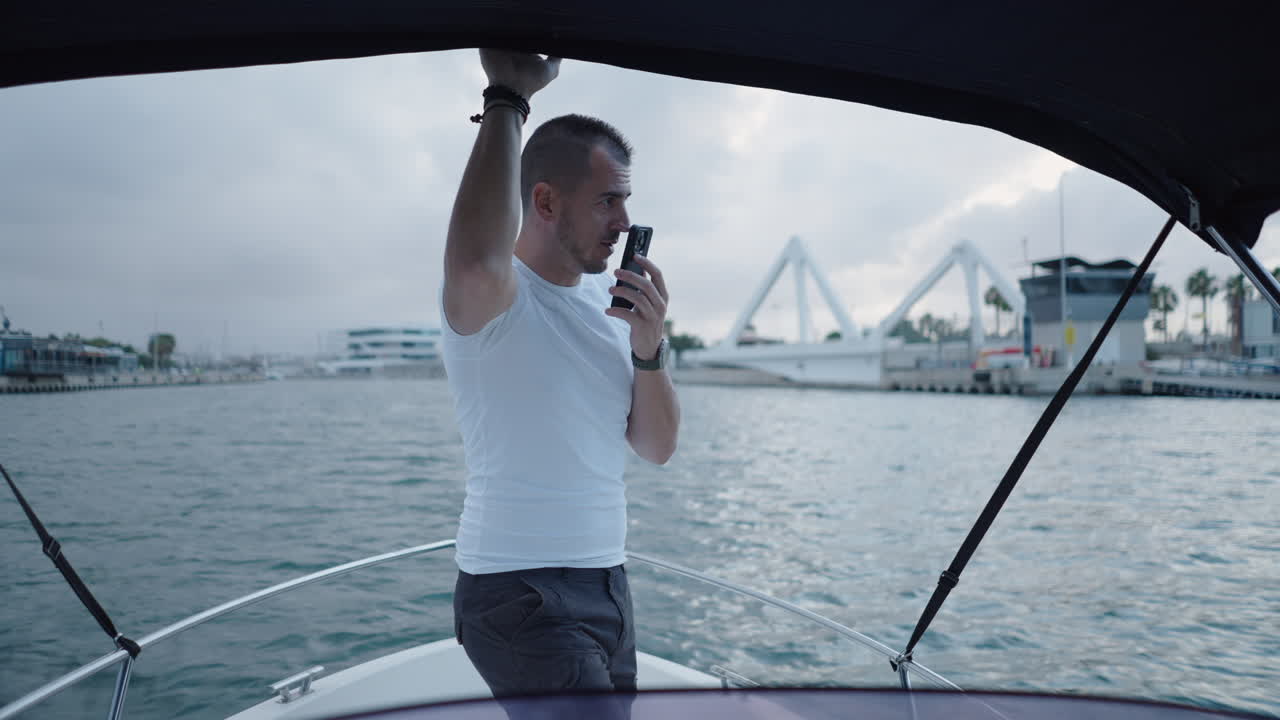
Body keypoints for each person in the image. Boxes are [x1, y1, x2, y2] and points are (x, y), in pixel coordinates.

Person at [440, 49, 681, 704]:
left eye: (626, 201)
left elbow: (656, 449)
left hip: (609, 581)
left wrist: (650, 346)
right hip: (515, 589)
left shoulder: (620, 313)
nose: (625, 223)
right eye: (608, 201)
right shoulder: (499, 298)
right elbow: (471, 264)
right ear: (544, 201)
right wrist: (507, 97)